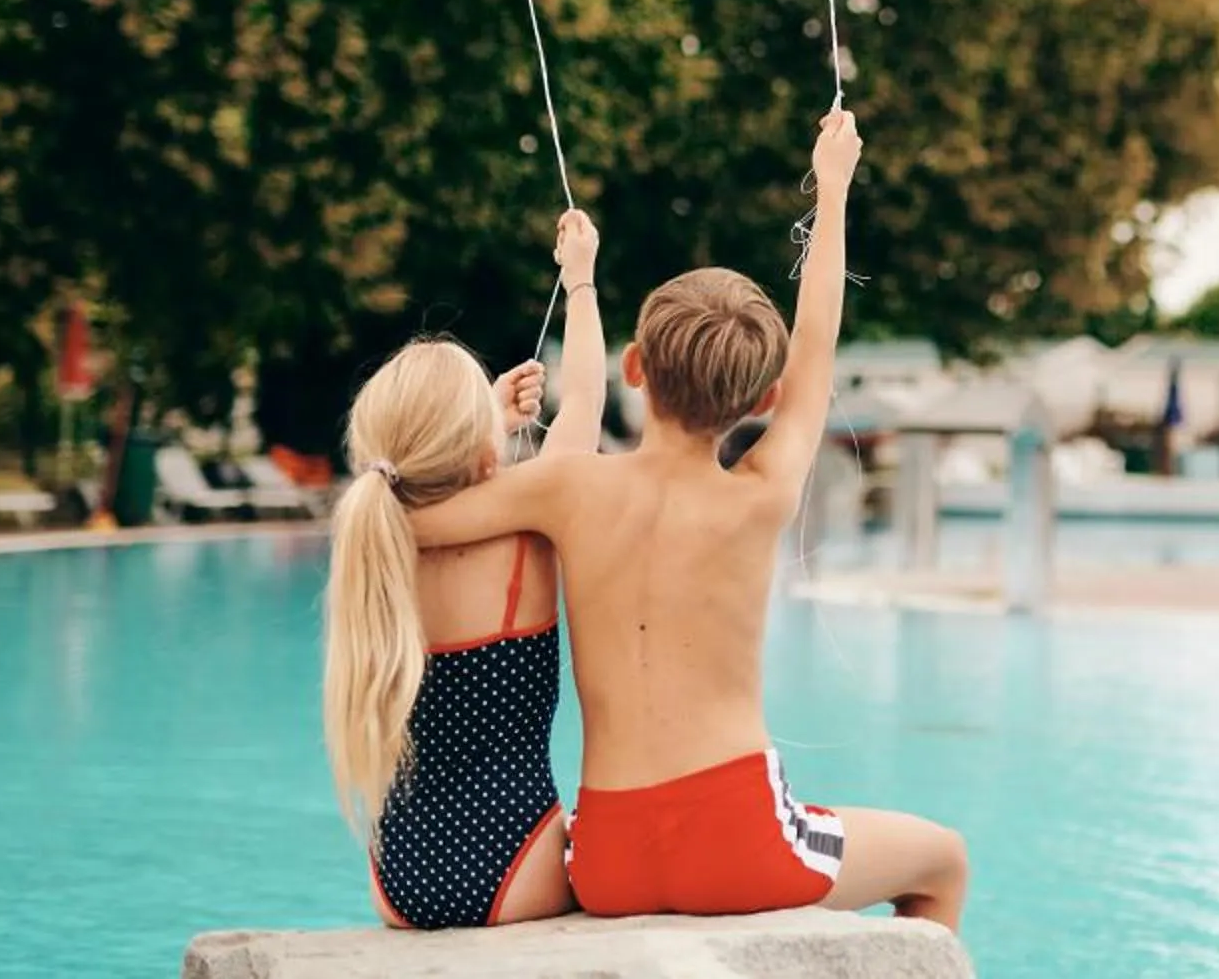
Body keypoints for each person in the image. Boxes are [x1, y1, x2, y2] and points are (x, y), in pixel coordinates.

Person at [406, 110, 969, 932]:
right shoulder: (762, 491)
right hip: (737, 843)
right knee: (944, 859)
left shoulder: (567, 488)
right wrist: (835, 188)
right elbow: (816, 341)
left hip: (608, 860)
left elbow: (417, 516)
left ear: (634, 369)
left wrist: (493, 415)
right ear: (764, 400)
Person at [322, 208, 609, 929]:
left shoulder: (376, 546)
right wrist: (580, 280)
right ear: (481, 452)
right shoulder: (526, 535)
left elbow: (424, 471)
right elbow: (584, 405)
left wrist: (479, 426)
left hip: (401, 873)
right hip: (516, 861)